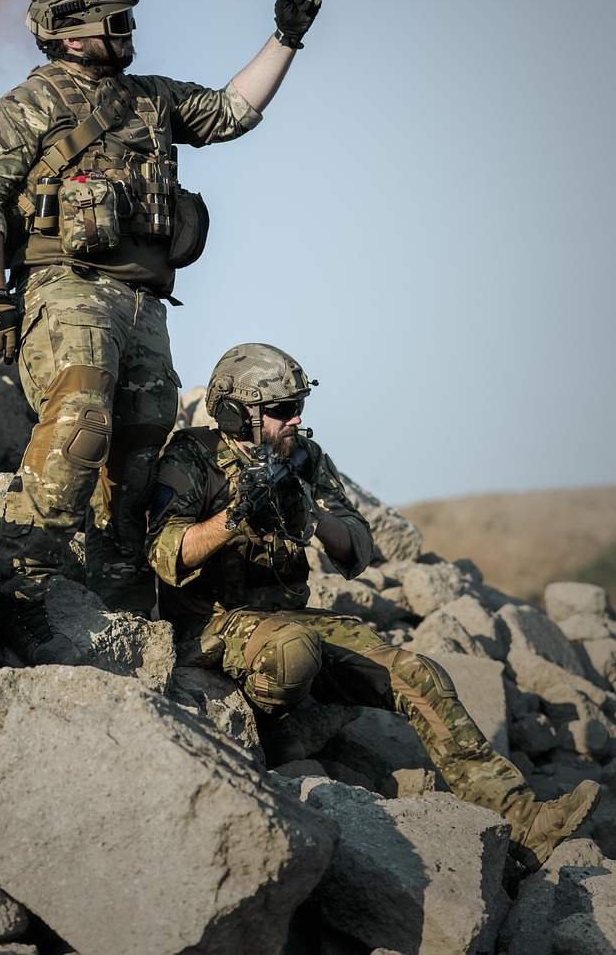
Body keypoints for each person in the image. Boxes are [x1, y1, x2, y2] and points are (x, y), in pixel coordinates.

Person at [0, 0, 321, 664]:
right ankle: (19, 584)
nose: (129, 33)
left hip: (145, 305)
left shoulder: (150, 98)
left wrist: (286, 37)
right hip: (66, 289)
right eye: (117, 21)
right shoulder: (24, 107)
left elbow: (230, 112)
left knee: (141, 457)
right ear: (72, 30)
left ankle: (116, 611)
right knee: (81, 421)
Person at [145, 342, 600, 872]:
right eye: (280, 411)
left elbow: (358, 549)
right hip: (210, 621)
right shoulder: (191, 457)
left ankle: (521, 822)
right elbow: (166, 554)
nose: (295, 420)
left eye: (299, 408)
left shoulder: (304, 461)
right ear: (234, 412)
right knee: (295, 651)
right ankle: (270, 733)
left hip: (285, 617)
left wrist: (312, 515)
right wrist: (234, 515)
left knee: (417, 673)